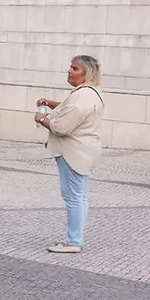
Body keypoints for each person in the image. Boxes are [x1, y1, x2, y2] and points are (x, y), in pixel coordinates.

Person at [35, 56, 105, 253]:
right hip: (84, 151)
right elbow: (69, 109)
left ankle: (73, 241)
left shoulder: (82, 97)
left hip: (74, 152)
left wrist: (41, 119)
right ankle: (76, 237)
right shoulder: (90, 93)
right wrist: (51, 104)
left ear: (86, 74)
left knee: (73, 197)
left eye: (75, 68)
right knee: (80, 196)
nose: (69, 71)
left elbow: (62, 126)